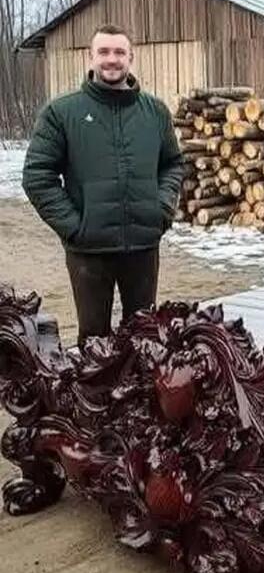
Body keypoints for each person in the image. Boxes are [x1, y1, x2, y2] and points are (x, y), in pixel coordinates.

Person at [22, 24, 184, 345]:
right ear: (91, 57)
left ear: (131, 58)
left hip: (142, 245)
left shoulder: (155, 113)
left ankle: (138, 394)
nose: (112, 59)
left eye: (119, 52)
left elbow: (172, 164)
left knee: (143, 335)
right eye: (104, 52)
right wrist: (75, 226)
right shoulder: (62, 112)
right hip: (88, 252)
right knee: (94, 339)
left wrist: (161, 210)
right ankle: (94, 397)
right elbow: (37, 175)